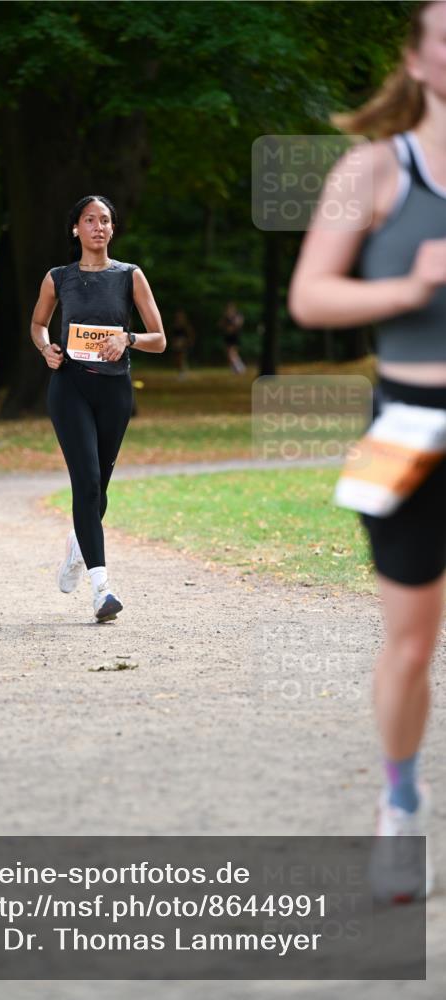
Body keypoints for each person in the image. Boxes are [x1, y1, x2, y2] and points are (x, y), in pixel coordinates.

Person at [289, 0, 446, 901]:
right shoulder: (369, 169)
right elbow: (310, 297)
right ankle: (397, 804)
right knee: (410, 644)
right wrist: (408, 282)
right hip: (409, 427)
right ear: (418, 61)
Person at [30, 195, 166, 622]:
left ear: (112, 228)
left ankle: (77, 543)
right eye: (90, 220)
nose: (98, 227)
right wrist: (45, 349)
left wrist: (127, 339)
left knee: (99, 488)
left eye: (105, 220)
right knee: (86, 481)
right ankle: (101, 588)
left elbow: (159, 338)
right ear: (76, 229)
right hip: (69, 388)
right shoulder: (57, 278)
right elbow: (37, 324)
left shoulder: (130, 276)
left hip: (114, 392)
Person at [218, 301, 246, 374]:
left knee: (232, 353)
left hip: (234, 336)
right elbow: (220, 325)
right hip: (227, 337)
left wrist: (231, 327)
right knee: (229, 353)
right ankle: (235, 368)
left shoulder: (237, 315)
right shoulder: (225, 317)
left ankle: (240, 368)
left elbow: (239, 324)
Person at [170, 308, 196, 378]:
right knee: (177, 359)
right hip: (176, 345)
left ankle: (183, 373)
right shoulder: (175, 325)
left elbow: (190, 335)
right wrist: (174, 342)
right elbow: (173, 336)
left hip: (183, 344)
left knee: (181, 358)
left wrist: (188, 342)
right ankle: (182, 372)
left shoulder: (185, 326)